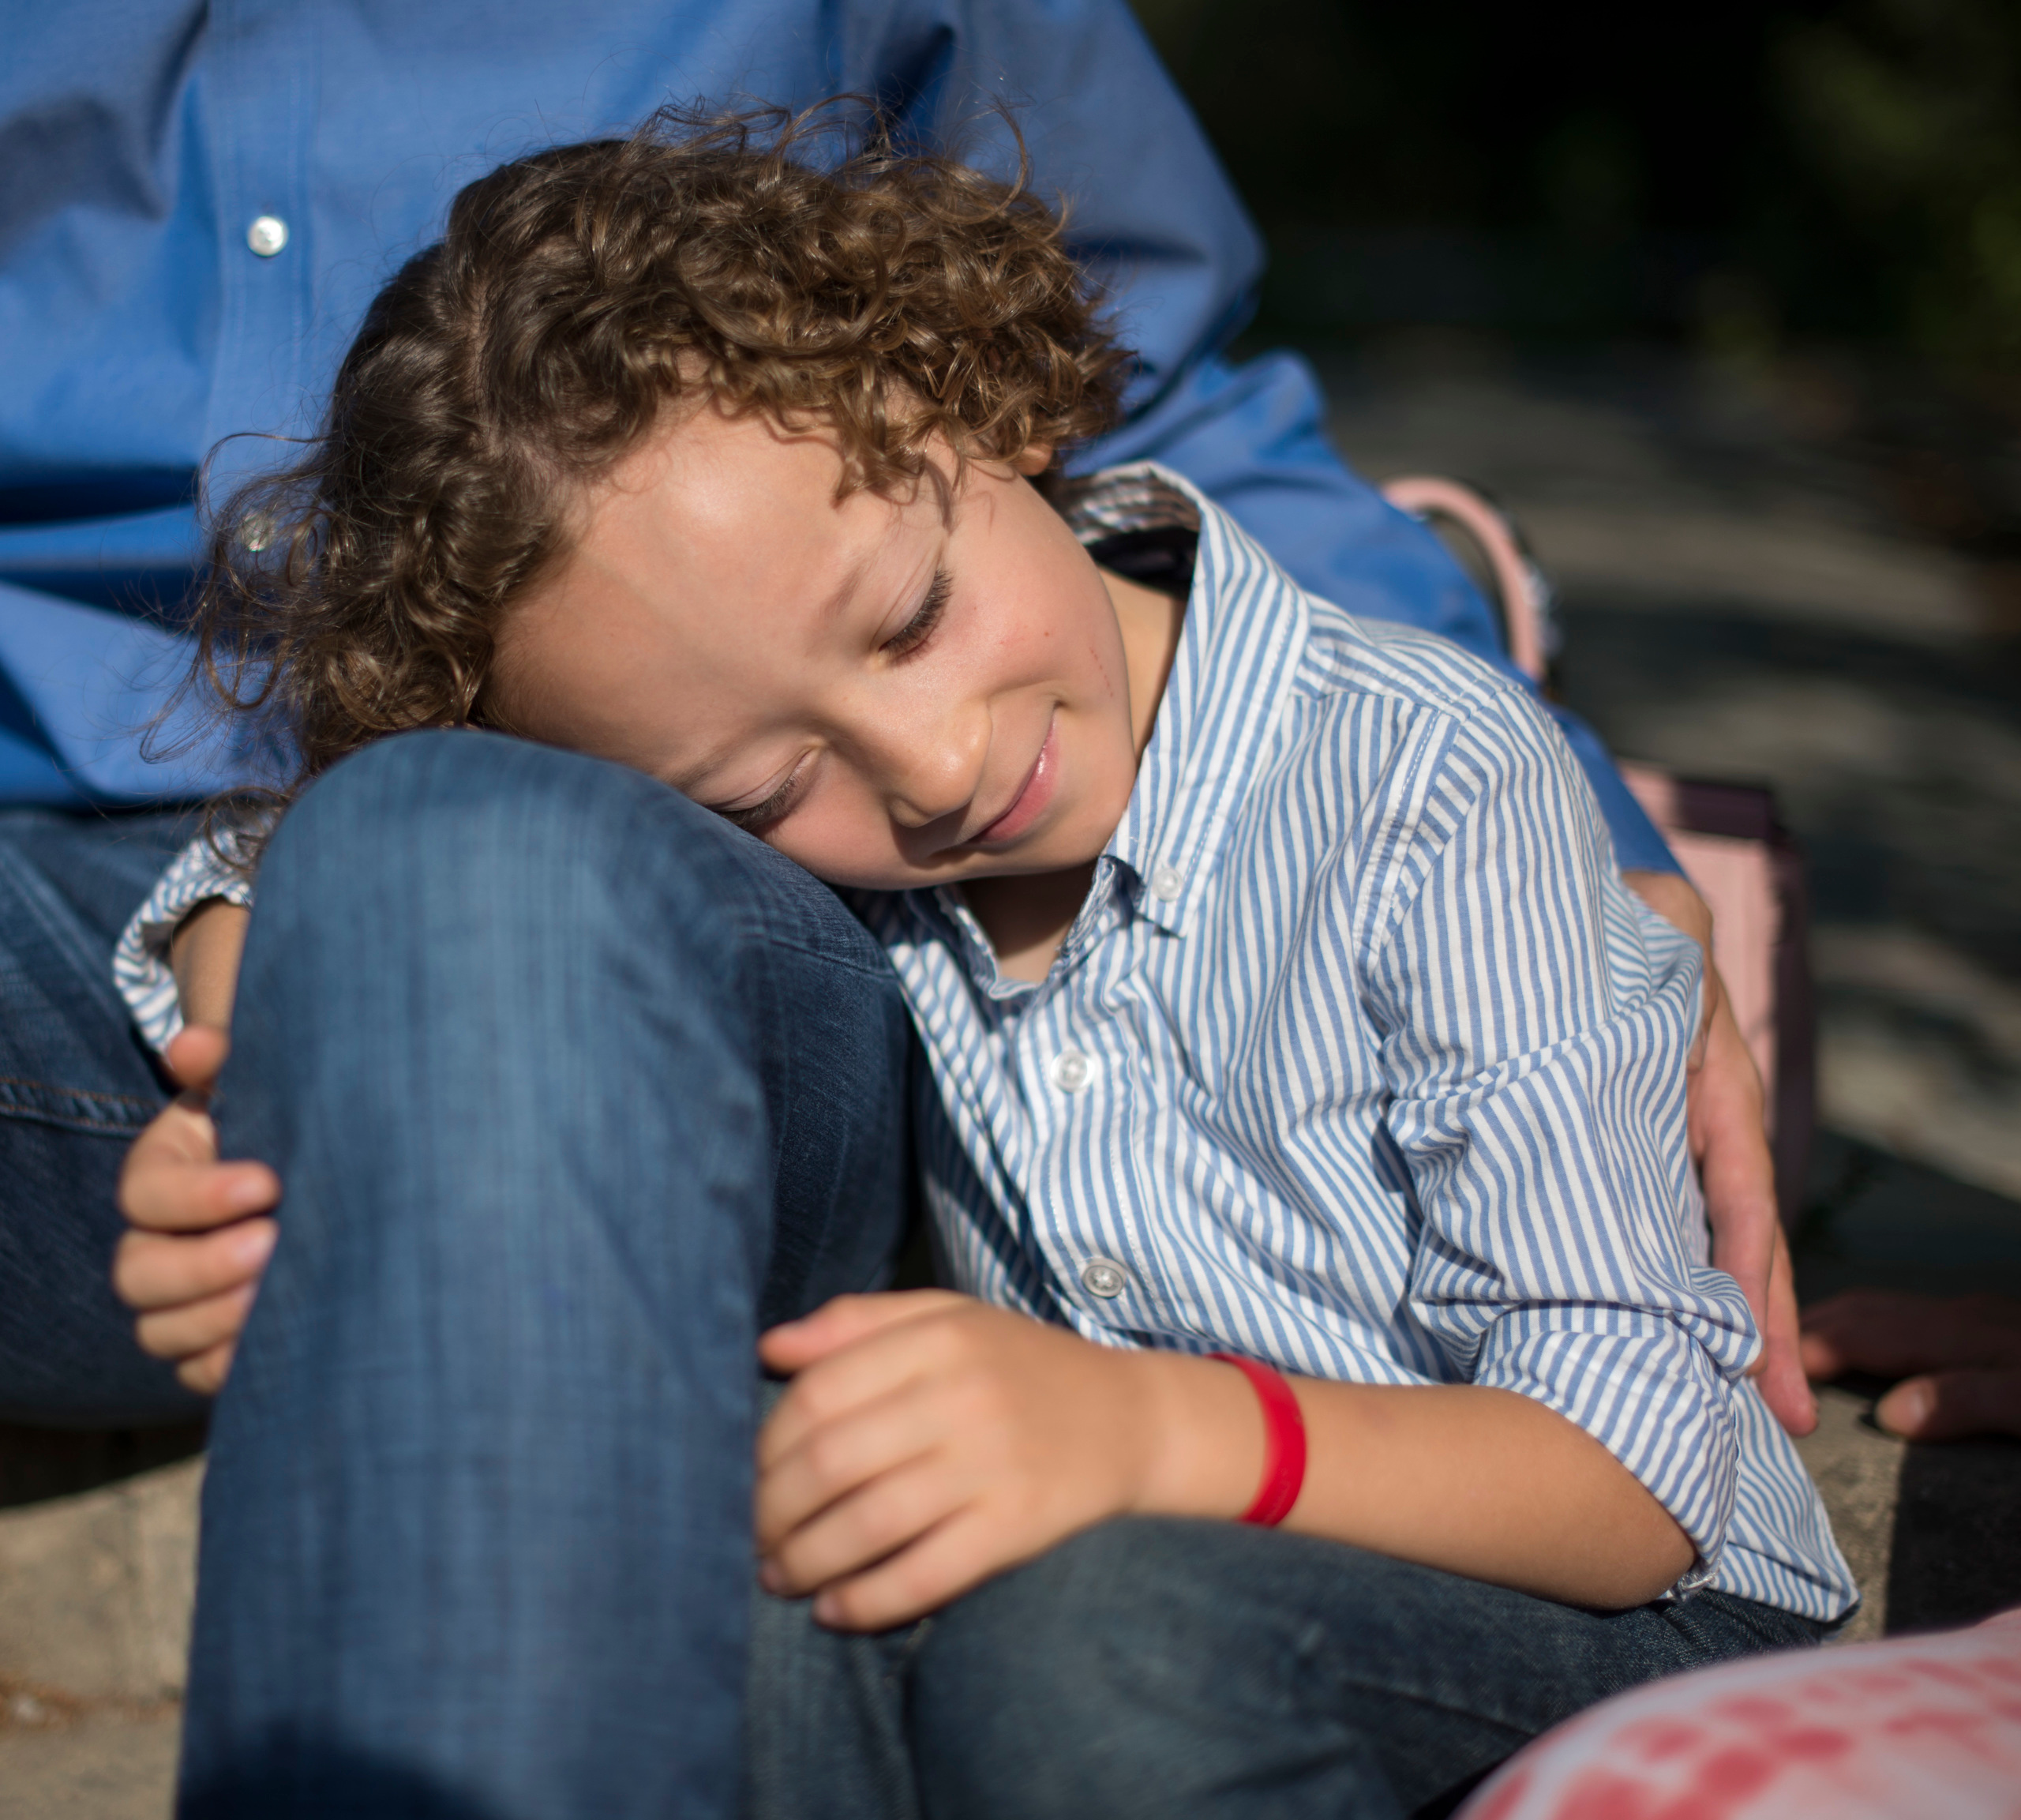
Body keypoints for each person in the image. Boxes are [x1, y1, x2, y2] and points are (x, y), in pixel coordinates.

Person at [122, 112, 1854, 1818]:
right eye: (769, 786)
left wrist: (1145, 1434)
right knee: (771, 1547)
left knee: (1090, 1633)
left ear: (968, 391)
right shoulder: (849, 865)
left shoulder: (1423, 782)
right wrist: (282, 1093)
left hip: (1607, 1614)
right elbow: (389, 840)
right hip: (1137, 1589)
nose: (930, 768)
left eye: (909, 617)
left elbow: (1635, 1472)